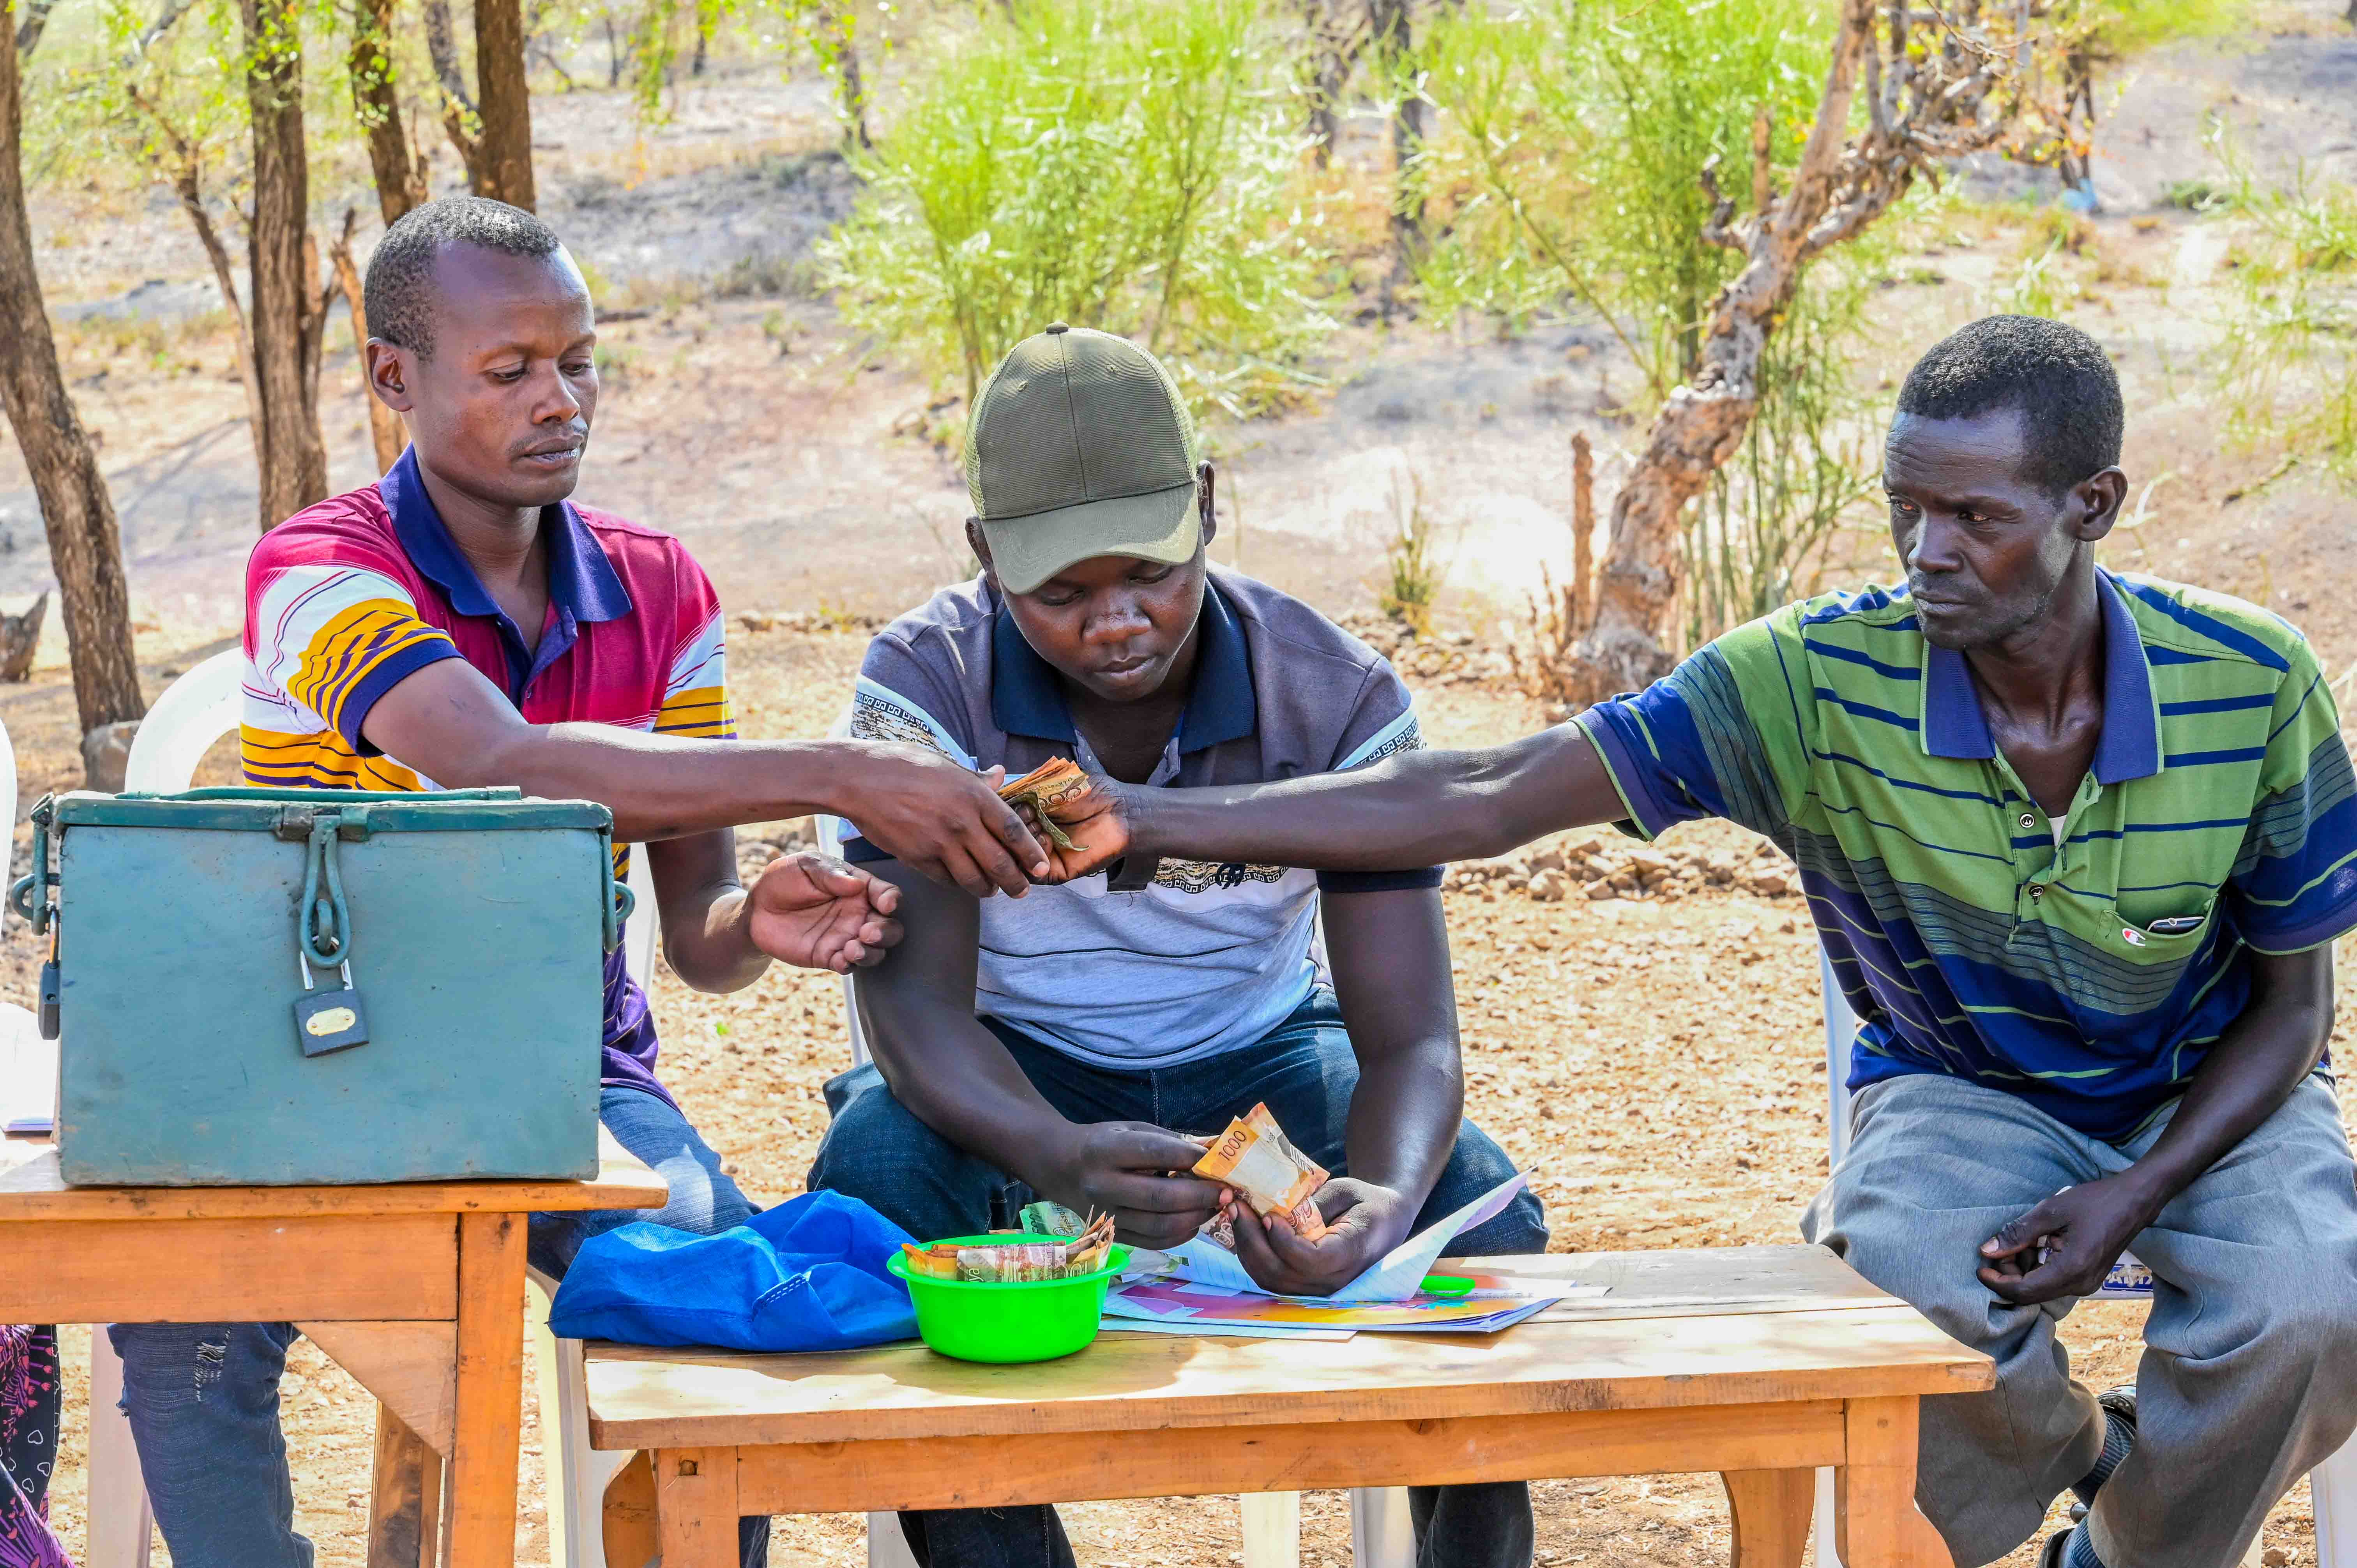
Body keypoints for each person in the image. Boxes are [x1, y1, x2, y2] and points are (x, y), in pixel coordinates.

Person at [1034, 315, 2357, 1568]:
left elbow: (2297, 1015)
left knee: (2317, 1308)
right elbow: (1491, 793)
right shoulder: (1814, 683)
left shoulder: (2251, 682)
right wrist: (1144, 814)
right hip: (1966, 1097)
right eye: (1904, 505)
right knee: (1898, 1314)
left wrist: (2128, 1193)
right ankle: (2081, 1451)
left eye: (1975, 518)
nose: (1925, 552)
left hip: (2217, 1096)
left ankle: (2126, 1548)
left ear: (2095, 506)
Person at [108, 196, 1054, 1568]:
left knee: (734, 1327)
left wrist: (758, 924)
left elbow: (698, 938)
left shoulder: (663, 593)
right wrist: (843, 773)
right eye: (512, 372)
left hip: (561, 1080)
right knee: (187, 1327)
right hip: (309, 1070)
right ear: (394, 378)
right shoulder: (315, 571)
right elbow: (503, 762)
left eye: (580, 360)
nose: (562, 401)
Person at [806, 323, 1547, 1568]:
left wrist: (1382, 1211)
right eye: (1059, 593)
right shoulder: (924, 689)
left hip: (1259, 1056)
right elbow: (918, 1017)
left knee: (1470, 1202)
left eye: (1150, 570)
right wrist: (1053, 1150)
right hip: (1010, 1069)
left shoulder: (1337, 699)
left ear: (1207, 505)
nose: (1114, 621)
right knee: (878, 1172)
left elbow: (1409, 1035)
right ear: (985, 556)